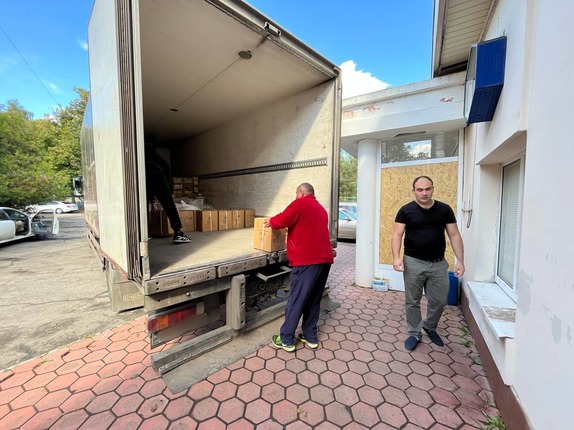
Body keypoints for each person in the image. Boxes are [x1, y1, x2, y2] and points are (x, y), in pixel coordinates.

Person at [391, 176, 465, 351]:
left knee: (439, 300)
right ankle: (414, 332)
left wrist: (460, 260)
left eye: (427, 189)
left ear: (432, 189)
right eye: (420, 189)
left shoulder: (444, 209)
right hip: (413, 262)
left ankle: (430, 326)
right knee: (412, 300)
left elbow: (454, 235)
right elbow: (396, 234)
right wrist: (396, 257)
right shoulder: (406, 210)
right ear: (414, 191)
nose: (424, 193)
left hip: (438, 264)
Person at [264, 182, 334, 352]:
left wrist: (270, 221)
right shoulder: (321, 209)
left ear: (302, 193)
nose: (295, 197)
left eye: (296, 194)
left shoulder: (300, 203)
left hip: (307, 262)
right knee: (313, 299)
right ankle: (310, 337)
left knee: (297, 299)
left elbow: (282, 219)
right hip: (324, 261)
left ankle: (286, 338)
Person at [145, 145, 191, 244]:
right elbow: (168, 177)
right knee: (170, 207)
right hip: (159, 180)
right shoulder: (160, 160)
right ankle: (178, 233)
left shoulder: (140, 159)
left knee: (141, 208)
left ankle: (143, 234)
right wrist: (170, 192)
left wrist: (151, 201)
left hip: (145, 182)